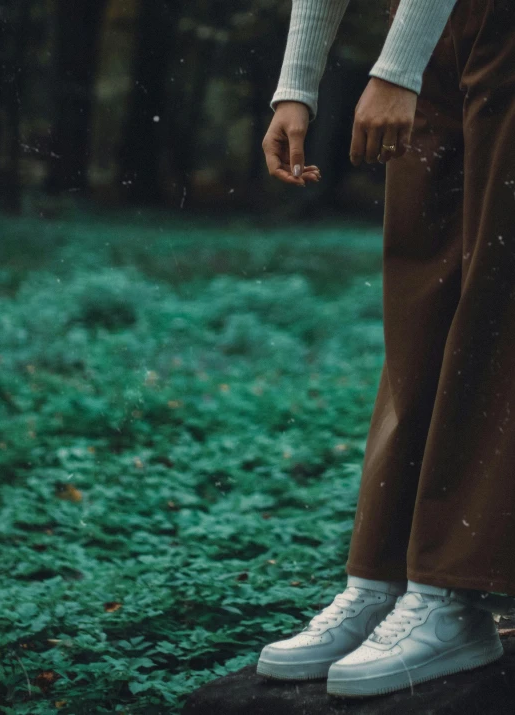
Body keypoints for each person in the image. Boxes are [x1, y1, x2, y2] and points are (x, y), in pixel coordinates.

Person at [257, 0, 515, 697]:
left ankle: (451, 592)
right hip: (435, 28)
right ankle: (382, 578)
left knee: (497, 302)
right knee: (421, 292)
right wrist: (296, 86)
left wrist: (394, 68)